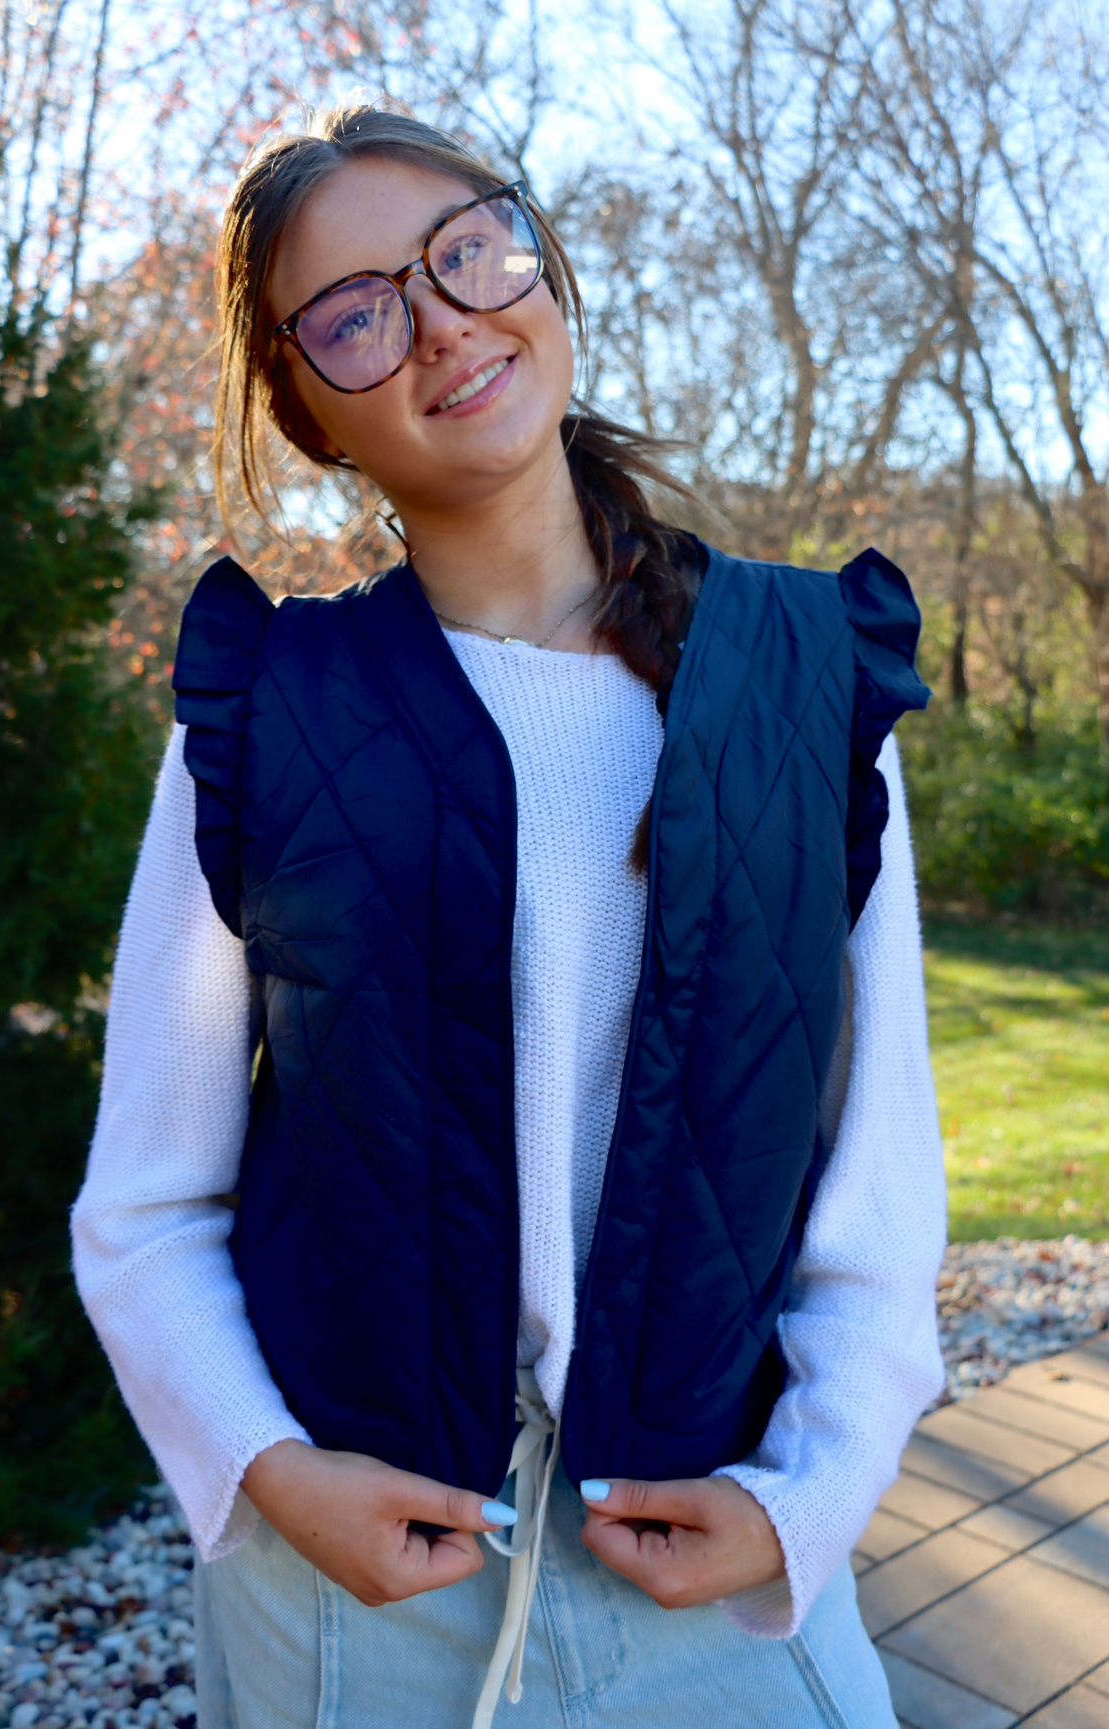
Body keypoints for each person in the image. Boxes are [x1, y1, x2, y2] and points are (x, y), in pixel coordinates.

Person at [72, 102, 947, 1729]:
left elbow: (876, 1180)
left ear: (541, 266)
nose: (441, 323)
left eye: (467, 252)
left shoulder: (797, 680)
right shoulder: (267, 713)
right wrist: (269, 1470)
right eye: (355, 314)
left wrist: (808, 1497)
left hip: (713, 1571)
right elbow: (149, 1201)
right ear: (307, 410)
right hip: (354, 1597)